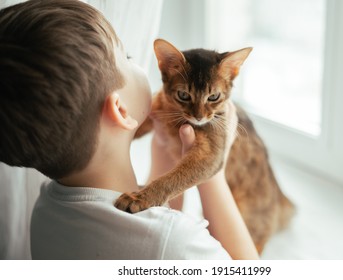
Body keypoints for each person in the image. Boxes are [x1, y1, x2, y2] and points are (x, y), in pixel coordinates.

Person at [0, 0, 258, 259]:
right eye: (127, 57)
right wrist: (213, 173)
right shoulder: (173, 240)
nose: (200, 114)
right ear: (120, 109)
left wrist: (161, 148)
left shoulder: (45, 206)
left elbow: (154, 215)